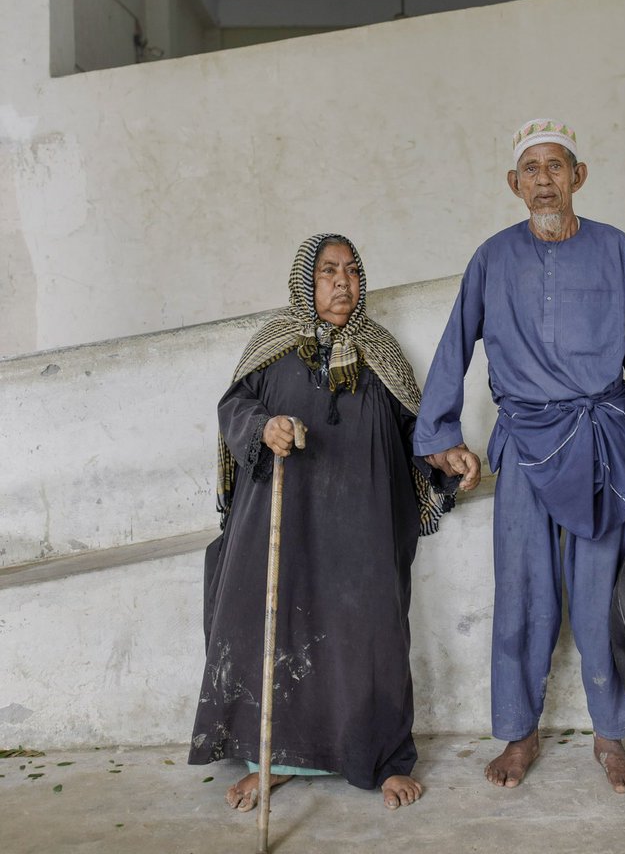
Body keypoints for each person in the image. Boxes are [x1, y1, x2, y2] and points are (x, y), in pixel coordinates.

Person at [414, 119, 625, 794]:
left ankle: (612, 738)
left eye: (555, 167)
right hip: (527, 449)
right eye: (530, 169)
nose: (543, 180)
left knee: (602, 598)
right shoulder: (491, 258)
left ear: (578, 176)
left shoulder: (616, 249)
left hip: (602, 446)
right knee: (523, 596)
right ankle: (519, 733)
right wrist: (441, 432)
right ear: (514, 184)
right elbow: (455, 344)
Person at [189, 233, 478, 812]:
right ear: (305, 281)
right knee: (276, 628)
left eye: (350, 270)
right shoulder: (272, 346)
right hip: (283, 521)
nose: (341, 281)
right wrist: (264, 427)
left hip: (364, 529)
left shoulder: (380, 350)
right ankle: (271, 763)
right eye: (327, 271)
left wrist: (447, 456)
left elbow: (415, 432)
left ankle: (383, 758)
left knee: (372, 636)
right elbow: (233, 410)